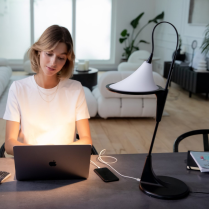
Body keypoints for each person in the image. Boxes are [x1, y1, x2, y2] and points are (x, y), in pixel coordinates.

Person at [3, 25, 92, 156]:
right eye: (49, 54)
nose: (53, 62)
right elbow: (9, 143)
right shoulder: (18, 88)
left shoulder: (75, 89)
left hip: (65, 162)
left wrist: (56, 154)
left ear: (67, 61)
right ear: (38, 51)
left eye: (61, 57)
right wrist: (40, 154)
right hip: (30, 160)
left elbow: (87, 140)